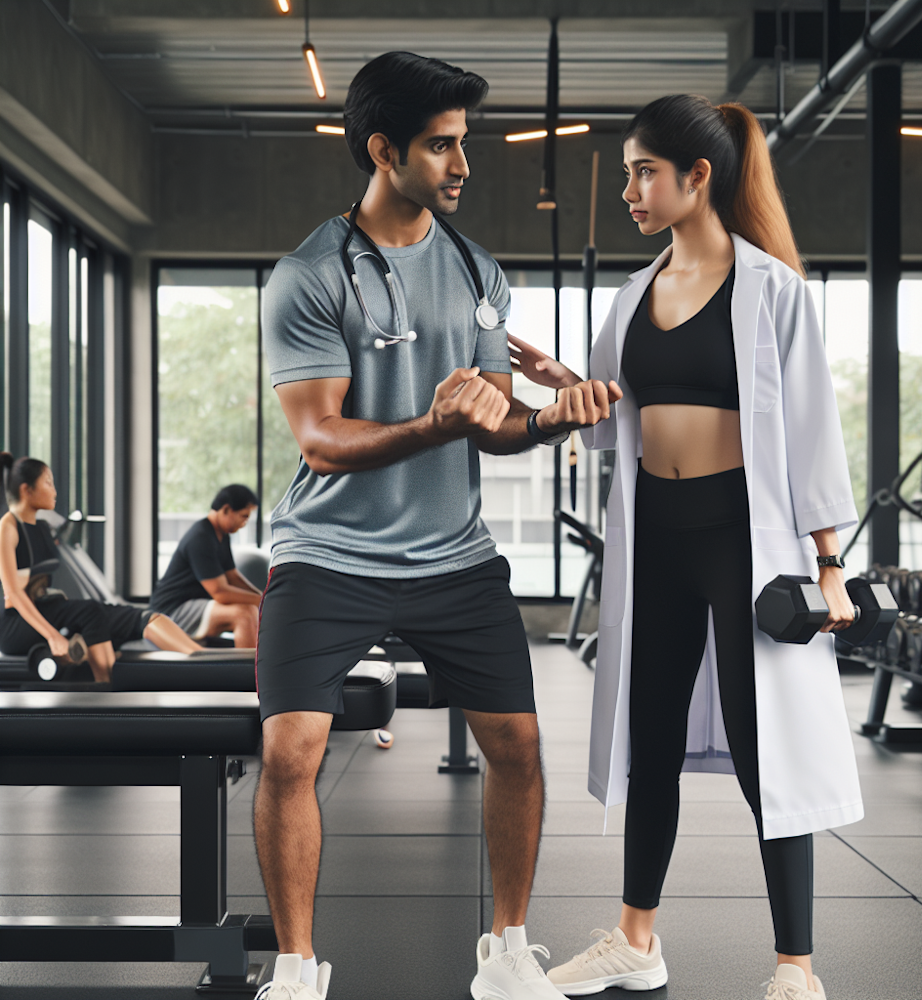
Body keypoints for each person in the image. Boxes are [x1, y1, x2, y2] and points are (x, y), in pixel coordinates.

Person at [254, 51, 621, 1000]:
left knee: (519, 746)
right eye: (443, 146)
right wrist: (434, 423)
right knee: (290, 749)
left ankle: (504, 953)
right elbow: (322, 439)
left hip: (452, 555)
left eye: (467, 144)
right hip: (328, 552)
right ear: (384, 150)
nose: (464, 164)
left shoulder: (475, 271)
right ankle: (296, 967)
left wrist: (551, 417)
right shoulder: (309, 274)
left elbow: (492, 422)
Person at [511, 95, 863, 1000]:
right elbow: (605, 421)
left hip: (742, 538)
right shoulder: (635, 292)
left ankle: (796, 967)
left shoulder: (771, 288)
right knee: (651, 737)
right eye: (630, 171)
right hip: (656, 535)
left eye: (642, 171)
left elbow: (817, 433)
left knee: (764, 748)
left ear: (696, 176)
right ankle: (636, 939)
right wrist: (567, 386)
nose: (629, 188)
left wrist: (829, 564)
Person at [0, 453, 202, 682]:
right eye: (48, 483)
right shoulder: (8, 526)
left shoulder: (42, 526)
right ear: (27, 490)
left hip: (48, 608)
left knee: (132, 616)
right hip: (17, 625)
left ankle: (202, 658)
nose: (55, 491)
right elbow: (14, 594)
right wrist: (54, 636)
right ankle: (105, 690)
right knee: (90, 611)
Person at [149, 484, 262, 648]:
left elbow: (233, 577)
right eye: (243, 516)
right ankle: (249, 673)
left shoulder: (222, 535)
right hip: (170, 612)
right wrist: (262, 601)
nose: (245, 522)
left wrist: (263, 596)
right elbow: (220, 592)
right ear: (226, 510)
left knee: (252, 609)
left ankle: (257, 668)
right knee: (244, 614)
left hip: (194, 605)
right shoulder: (200, 537)